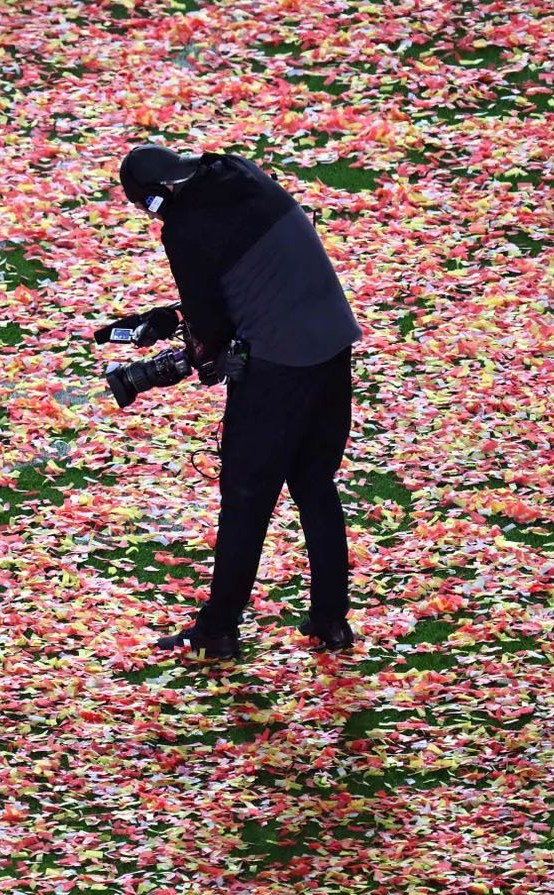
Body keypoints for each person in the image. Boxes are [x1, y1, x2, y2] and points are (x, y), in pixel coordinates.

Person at [118, 144, 363, 660]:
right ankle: (331, 620)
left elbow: (211, 335)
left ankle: (218, 629)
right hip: (333, 344)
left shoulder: (183, 228)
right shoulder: (240, 173)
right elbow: (248, 275)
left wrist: (170, 360)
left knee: (246, 501)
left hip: (279, 365)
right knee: (316, 486)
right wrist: (170, 316)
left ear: (158, 201)